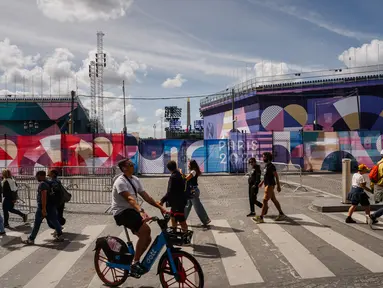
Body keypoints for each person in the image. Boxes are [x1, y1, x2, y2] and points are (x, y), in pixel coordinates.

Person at [111, 158, 168, 275]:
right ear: (124, 168)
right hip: (122, 212)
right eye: (130, 164)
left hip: (132, 211)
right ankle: (135, 262)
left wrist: (161, 208)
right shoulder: (120, 182)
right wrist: (141, 211)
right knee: (146, 230)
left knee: (147, 238)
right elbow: (130, 199)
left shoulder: (135, 179)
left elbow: (147, 197)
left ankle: (133, 260)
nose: (133, 165)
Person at [23, 171, 63, 244]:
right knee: (54, 220)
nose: (36, 177)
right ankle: (60, 235)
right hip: (51, 206)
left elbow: (43, 197)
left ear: (41, 176)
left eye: (37, 176)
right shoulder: (49, 182)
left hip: (43, 207)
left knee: (37, 223)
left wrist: (43, 209)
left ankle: (31, 239)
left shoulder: (42, 184)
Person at [253, 152, 285, 223]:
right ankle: (281, 214)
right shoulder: (266, 165)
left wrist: (278, 186)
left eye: (264, 157)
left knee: (264, 200)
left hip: (270, 185)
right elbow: (265, 176)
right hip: (267, 184)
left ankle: (261, 217)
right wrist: (261, 182)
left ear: (267, 157)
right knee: (273, 199)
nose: (262, 158)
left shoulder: (271, 166)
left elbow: (276, 176)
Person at [159, 161, 188, 232]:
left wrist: (162, 200)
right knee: (172, 217)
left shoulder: (173, 177)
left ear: (169, 169)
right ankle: (174, 233)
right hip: (180, 201)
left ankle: (186, 237)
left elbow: (170, 192)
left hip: (177, 202)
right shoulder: (179, 174)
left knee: (181, 220)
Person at [182, 159, 211, 227]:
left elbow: (186, 179)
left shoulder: (193, 171)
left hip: (193, 191)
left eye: (189, 164)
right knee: (187, 206)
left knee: (198, 207)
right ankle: (182, 220)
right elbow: (186, 178)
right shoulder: (192, 171)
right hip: (190, 191)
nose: (188, 165)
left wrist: (181, 173)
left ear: (191, 165)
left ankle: (205, 220)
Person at [47, 169, 66, 234]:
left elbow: (56, 191)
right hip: (60, 201)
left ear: (53, 174)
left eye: (50, 172)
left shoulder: (54, 182)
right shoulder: (56, 181)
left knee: (56, 215)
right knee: (59, 215)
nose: (48, 173)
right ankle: (59, 227)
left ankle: (58, 229)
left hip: (57, 202)